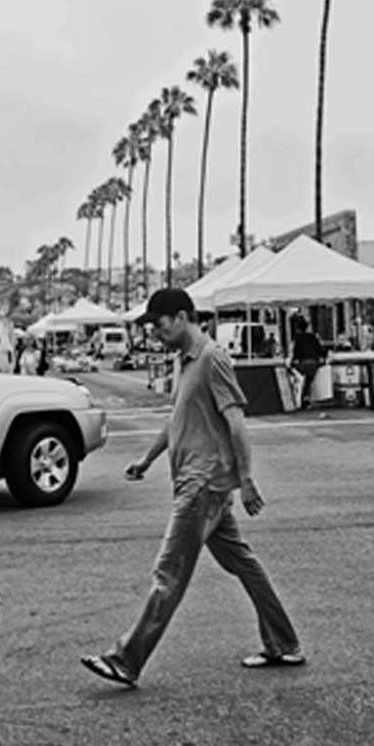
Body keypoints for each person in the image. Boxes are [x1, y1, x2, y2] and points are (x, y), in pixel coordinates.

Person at [80, 287, 304, 689]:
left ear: (183, 317)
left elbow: (235, 420)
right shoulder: (185, 362)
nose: (156, 332)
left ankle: (126, 659)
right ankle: (283, 643)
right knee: (243, 564)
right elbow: (177, 418)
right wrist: (147, 459)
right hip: (199, 482)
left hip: (202, 486)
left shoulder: (212, 358)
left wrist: (247, 479)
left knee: (169, 572)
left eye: (160, 323)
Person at [289, 315, 325, 410]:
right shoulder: (313, 337)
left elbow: (296, 352)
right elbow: (320, 350)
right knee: (309, 380)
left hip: (303, 363)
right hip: (314, 362)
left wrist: (292, 362)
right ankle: (306, 398)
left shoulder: (298, 338)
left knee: (297, 377)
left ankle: (298, 398)